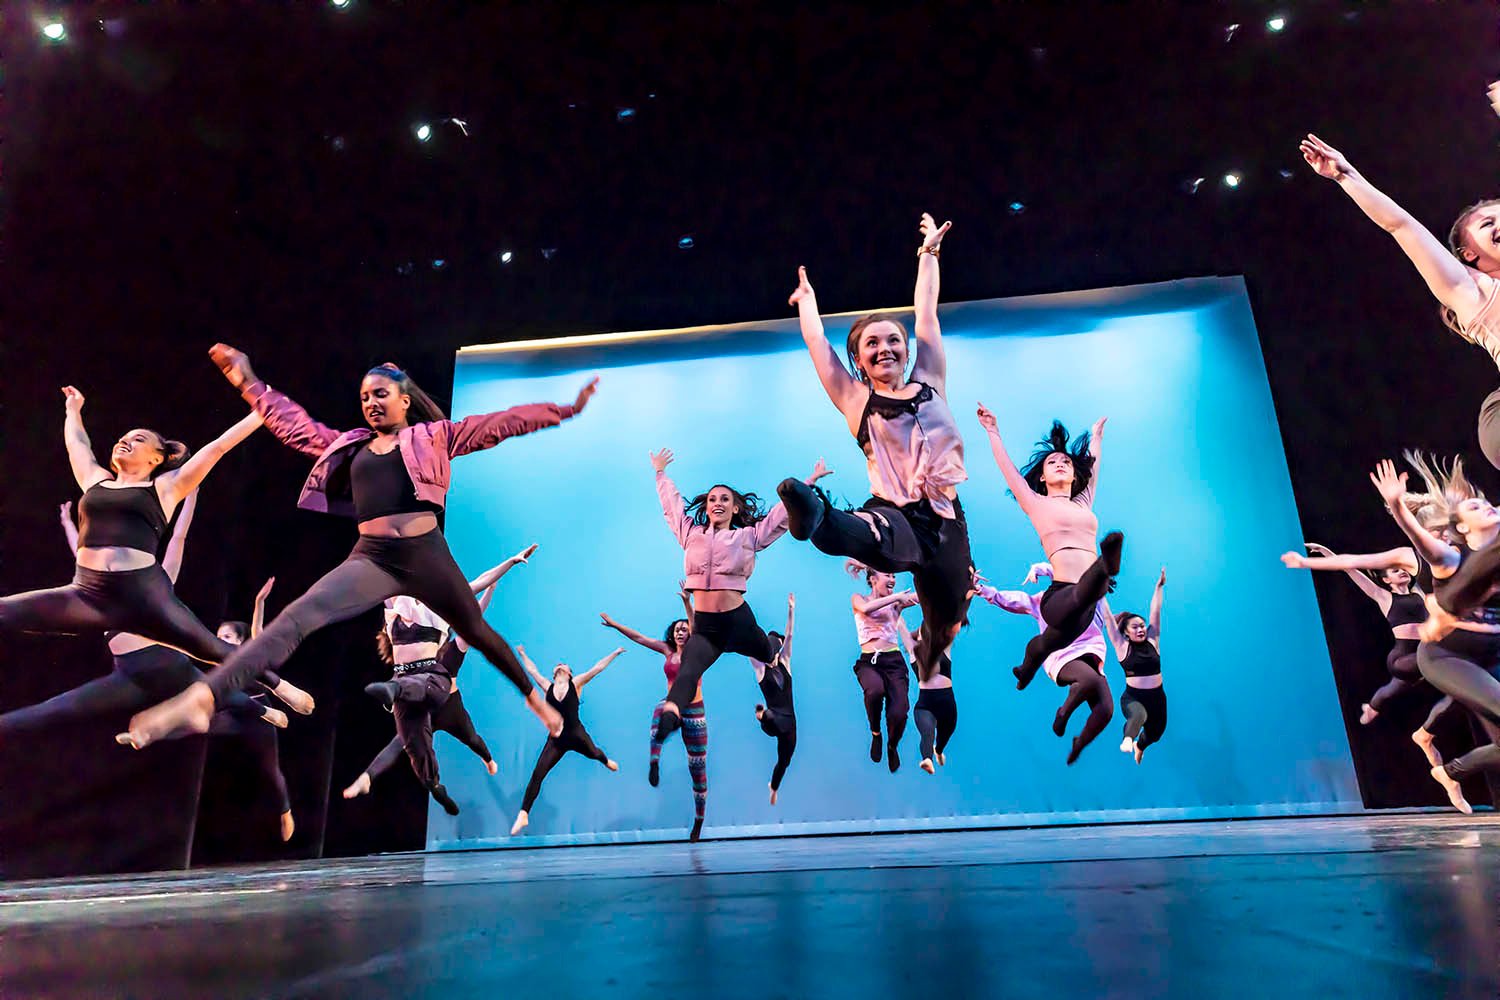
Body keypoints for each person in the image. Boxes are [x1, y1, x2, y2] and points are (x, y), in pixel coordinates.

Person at [120, 347, 596, 747]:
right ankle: (203, 698)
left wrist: (564, 410)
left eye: (380, 394)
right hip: (372, 558)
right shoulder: (350, 446)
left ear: (405, 400)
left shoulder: (434, 436)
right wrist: (246, 379)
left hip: (425, 554)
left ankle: (533, 699)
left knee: (474, 627)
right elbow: (292, 423)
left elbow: (499, 423)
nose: (370, 403)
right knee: (295, 618)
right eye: (364, 396)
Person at [776, 213, 973, 680]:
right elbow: (820, 349)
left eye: (893, 340)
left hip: (945, 520)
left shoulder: (931, 381)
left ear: (907, 350)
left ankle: (929, 654)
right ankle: (814, 514)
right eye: (872, 344)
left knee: (948, 622)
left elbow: (926, 312)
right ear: (860, 359)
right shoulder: (857, 399)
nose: (885, 348)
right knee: (863, 532)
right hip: (893, 512)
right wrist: (807, 303)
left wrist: (929, 253)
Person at [0, 387, 262, 663]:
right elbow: (77, 444)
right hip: (89, 591)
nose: (124, 442)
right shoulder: (95, 480)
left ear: (156, 458)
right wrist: (73, 410)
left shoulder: (164, 488)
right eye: (122, 439)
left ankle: (275, 687)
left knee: (212, 651)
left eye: (137, 440)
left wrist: (261, 413)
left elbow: (218, 447)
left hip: (139, 592)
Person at [1, 494, 278, 740]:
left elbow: (179, 538)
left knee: (223, 694)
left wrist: (191, 496)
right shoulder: (98, 594)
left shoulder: (156, 587)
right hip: (130, 675)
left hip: (168, 665)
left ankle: (262, 709)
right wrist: (68, 524)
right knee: (56, 709)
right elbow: (83, 553)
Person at [1301, 132, 1500, 468]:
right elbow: (1401, 226)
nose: (1499, 224)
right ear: (1469, 256)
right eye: (1487, 224)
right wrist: (1344, 175)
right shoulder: (1472, 292)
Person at [649, 448, 828, 742]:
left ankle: (772, 646)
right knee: (688, 671)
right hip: (707, 629)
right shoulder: (690, 534)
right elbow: (672, 507)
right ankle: (670, 716)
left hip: (739, 622)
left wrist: (806, 484)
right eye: (712, 499)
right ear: (706, 508)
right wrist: (660, 473)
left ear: (734, 509)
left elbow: (778, 517)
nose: (717, 503)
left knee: (769, 652)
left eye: (724, 499)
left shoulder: (748, 536)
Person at [342, 547, 535, 804]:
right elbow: (380, 570)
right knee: (413, 747)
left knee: (468, 735)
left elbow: (476, 592)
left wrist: (509, 563)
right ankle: (433, 784)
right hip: (402, 683)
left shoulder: (439, 613)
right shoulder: (396, 603)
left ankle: (487, 758)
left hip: (436, 688)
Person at [1368, 456, 1500, 812]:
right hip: (1441, 653)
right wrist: (1397, 504)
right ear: (1463, 530)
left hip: (1485, 650)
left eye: (1489, 502)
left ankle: (1451, 770)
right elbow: (1416, 537)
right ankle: (1416, 729)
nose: (1488, 505)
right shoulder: (1446, 556)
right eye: (1477, 504)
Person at [975, 404, 1120, 690]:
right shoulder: (1036, 503)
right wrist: (992, 430)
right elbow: (1008, 471)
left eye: (1066, 462)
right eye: (1052, 462)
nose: (1060, 463)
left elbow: (1094, 467)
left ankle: (1026, 668)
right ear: (1041, 477)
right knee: (1092, 587)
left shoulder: (1082, 502)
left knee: (1045, 643)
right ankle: (1106, 566)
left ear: (1075, 475)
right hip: (1060, 596)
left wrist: (1097, 437)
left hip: (1084, 610)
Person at [973, 562, 1114, 765]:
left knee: (1106, 709)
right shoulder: (1045, 603)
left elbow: (1089, 574)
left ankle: (1080, 743)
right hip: (1062, 656)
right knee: (1090, 680)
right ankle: (1063, 712)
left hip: (1091, 656)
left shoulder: (1096, 600)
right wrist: (987, 591)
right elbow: (1016, 599)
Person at [1281, 543, 1429, 725]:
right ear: (1386, 580)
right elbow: (1350, 569)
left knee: (1392, 689)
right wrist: (1327, 552)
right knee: (1433, 659)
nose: (1401, 572)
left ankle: (1372, 707)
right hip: (1402, 658)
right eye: (1395, 571)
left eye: (1403, 569)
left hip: (1423, 649)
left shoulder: (1419, 592)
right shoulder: (1384, 597)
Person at [600, 588, 709, 831]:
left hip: (695, 711)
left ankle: (699, 820)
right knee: (660, 710)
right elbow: (639, 638)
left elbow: (695, 625)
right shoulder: (667, 651)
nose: (681, 632)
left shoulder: (696, 650)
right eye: (677, 630)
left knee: (697, 768)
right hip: (673, 706)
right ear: (672, 634)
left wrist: (687, 602)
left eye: (685, 629)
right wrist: (615, 624)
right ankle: (654, 761)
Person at [510, 645, 624, 836]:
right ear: (555, 673)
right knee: (537, 774)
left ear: (570, 674)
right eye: (558, 665)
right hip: (556, 740)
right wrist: (522, 654)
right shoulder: (547, 686)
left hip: (576, 735)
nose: (560, 665)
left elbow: (597, 668)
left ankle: (605, 760)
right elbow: (532, 670)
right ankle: (523, 813)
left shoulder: (577, 683)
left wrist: (615, 653)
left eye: (565, 665)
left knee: (594, 752)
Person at [845, 561, 919, 771]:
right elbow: (866, 609)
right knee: (874, 690)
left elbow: (926, 596)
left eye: (894, 576)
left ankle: (892, 745)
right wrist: (897, 597)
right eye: (888, 574)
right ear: (872, 579)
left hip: (894, 662)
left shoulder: (897, 603)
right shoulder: (859, 599)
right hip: (870, 662)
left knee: (900, 712)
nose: (893, 579)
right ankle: (876, 733)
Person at [1101, 569, 1168, 764]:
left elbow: (1155, 610)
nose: (1140, 629)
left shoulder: (1153, 640)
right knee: (1138, 715)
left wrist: (1159, 587)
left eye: (1142, 626)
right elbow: (1107, 619)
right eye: (1135, 627)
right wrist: (1100, 589)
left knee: (1156, 733)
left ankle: (1140, 746)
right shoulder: (1122, 646)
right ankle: (1128, 739)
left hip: (1157, 697)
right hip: (1133, 697)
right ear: (1126, 633)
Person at [750, 593, 797, 804]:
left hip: (790, 722)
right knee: (770, 716)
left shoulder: (785, 662)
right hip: (773, 718)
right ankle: (761, 715)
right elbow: (748, 647)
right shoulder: (760, 669)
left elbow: (790, 635)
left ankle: (774, 787)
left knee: (785, 760)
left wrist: (791, 610)